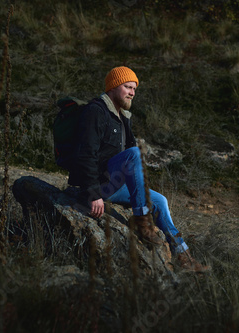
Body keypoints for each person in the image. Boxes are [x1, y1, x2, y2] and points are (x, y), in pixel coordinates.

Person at [67, 66, 210, 273]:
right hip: (98, 184)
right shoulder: (95, 111)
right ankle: (143, 222)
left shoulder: (123, 117)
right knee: (135, 153)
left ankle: (183, 255)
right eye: (127, 87)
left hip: (114, 184)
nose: (132, 92)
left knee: (160, 201)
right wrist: (93, 193)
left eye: (134, 88)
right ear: (114, 87)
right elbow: (85, 154)